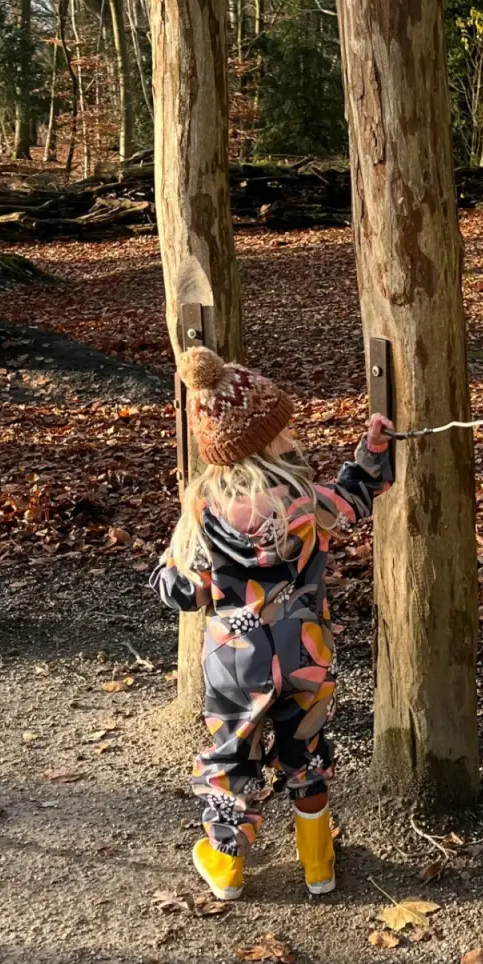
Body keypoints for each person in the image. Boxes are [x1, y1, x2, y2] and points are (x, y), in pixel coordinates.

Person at [152, 346, 394, 902]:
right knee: (304, 751)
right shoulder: (307, 501)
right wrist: (372, 448)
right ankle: (318, 863)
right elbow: (358, 493)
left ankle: (227, 867)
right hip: (308, 655)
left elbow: (185, 593)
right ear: (270, 440)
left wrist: (167, 566)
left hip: (237, 665)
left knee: (232, 758)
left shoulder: (203, 513)